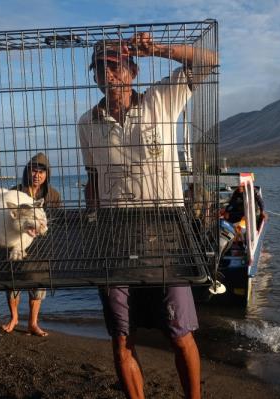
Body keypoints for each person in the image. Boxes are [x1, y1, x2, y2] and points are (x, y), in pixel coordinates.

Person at [78, 33, 217, 399]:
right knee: (122, 337)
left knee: (180, 332)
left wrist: (158, 49)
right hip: (114, 237)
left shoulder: (161, 99)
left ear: (133, 70)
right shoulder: (87, 123)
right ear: (94, 76)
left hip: (165, 232)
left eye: (116, 65)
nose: (109, 74)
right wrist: (91, 228)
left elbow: (208, 60)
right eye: (102, 68)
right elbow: (92, 179)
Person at [3, 152, 62, 336]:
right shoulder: (15, 192)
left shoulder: (52, 195)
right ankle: (14, 318)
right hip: (18, 242)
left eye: (41, 172)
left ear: (47, 174)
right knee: (13, 282)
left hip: (42, 244)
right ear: (27, 172)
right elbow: (7, 220)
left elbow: (57, 221)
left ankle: (33, 323)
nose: (37, 175)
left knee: (38, 282)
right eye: (34, 171)